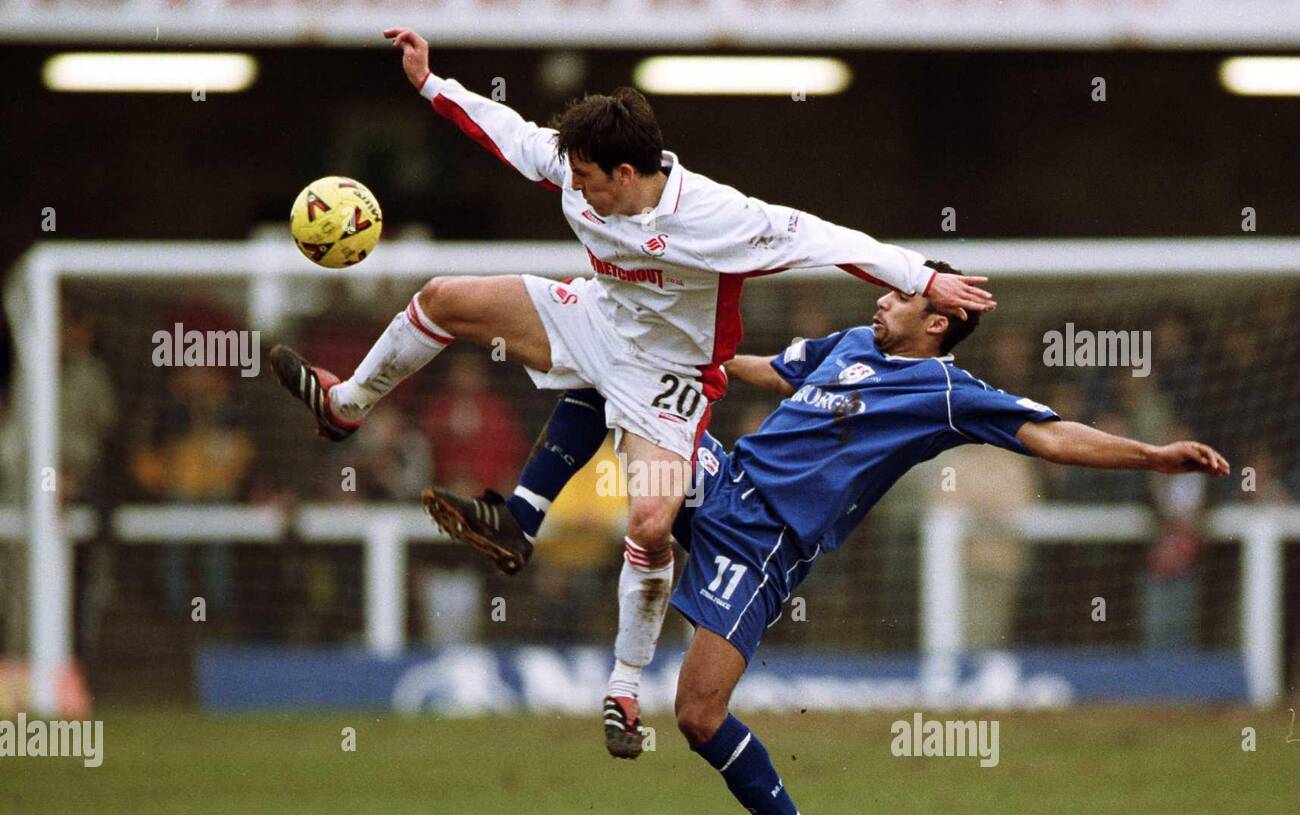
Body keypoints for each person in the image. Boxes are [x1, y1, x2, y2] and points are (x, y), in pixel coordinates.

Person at [267, 27, 996, 761]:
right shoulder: (573, 166)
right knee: (444, 297)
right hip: (594, 320)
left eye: (586, 178)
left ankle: (622, 687)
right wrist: (429, 83)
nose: (572, 187)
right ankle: (347, 405)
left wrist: (921, 278)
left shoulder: (717, 218)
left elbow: (824, 238)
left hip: (671, 378)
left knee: (650, 522)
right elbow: (506, 132)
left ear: (624, 172)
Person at [446, 263, 1230, 815]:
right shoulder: (852, 343)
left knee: (696, 713)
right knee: (613, 372)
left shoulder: (947, 391)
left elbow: (1051, 434)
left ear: (935, 325)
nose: (881, 299)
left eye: (899, 297)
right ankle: (524, 527)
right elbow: (767, 370)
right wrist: (687, 363)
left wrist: (1153, 457)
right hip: (726, 476)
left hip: (764, 546)